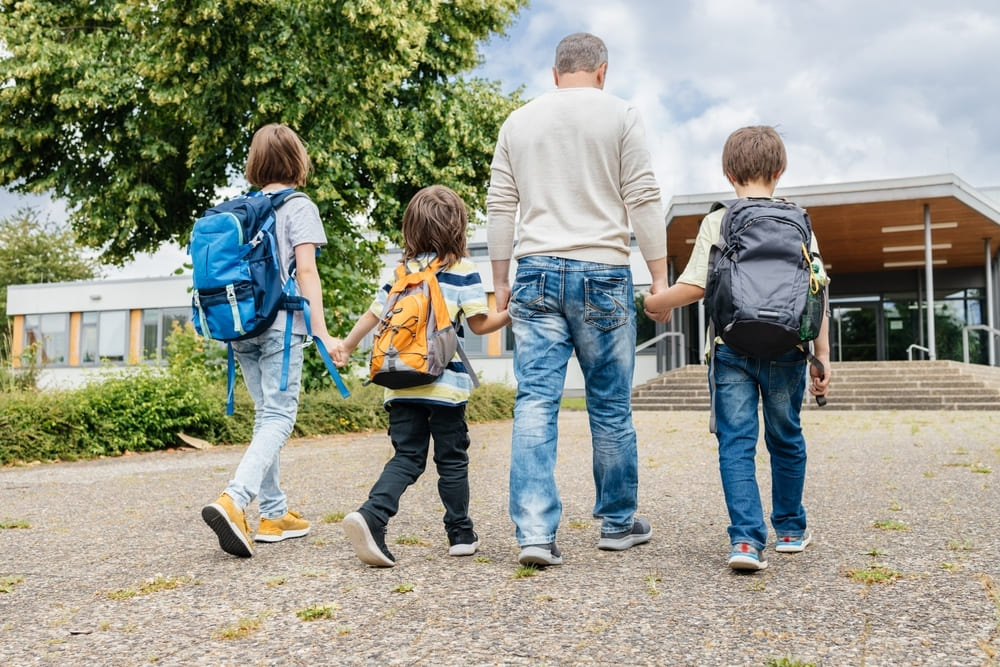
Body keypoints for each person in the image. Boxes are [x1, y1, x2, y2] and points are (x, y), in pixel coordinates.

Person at [486, 32, 668, 566]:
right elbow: (643, 197)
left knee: (535, 402)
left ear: (555, 72)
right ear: (602, 71)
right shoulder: (621, 115)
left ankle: (536, 535)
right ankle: (616, 523)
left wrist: (500, 282)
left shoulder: (518, 121)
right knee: (610, 404)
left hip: (535, 271)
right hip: (604, 272)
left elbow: (501, 206)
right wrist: (658, 280)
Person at [643, 125, 832, 571]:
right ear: (780, 170)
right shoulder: (801, 222)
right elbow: (817, 293)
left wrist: (654, 302)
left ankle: (746, 542)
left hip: (731, 349)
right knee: (786, 438)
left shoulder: (719, 220)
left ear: (728, 173)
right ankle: (789, 529)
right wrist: (821, 356)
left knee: (736, 444)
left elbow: (693, 286)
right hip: (788, 350)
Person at [334, 185, 510, 567]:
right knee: (452, 459)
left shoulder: (401, 274)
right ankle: (460, 534)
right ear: (458, 228)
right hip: (444, 387)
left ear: (410, 228)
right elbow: (480, 326)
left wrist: (346, 347)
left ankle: (372, 515)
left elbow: (373, 316)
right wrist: (512, 312)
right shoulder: (462, 272)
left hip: (398, 382)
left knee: (408, 457)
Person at [201, 123, 338, 558]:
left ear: (256, 163)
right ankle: (235, 498)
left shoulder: (245, 209)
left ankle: (275, 514)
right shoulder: (299, 206)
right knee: (280, 417)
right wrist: (320, 328)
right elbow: (308, 271)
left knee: (266, 417)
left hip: (242, 326)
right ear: (297, 160)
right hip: (281, 325)